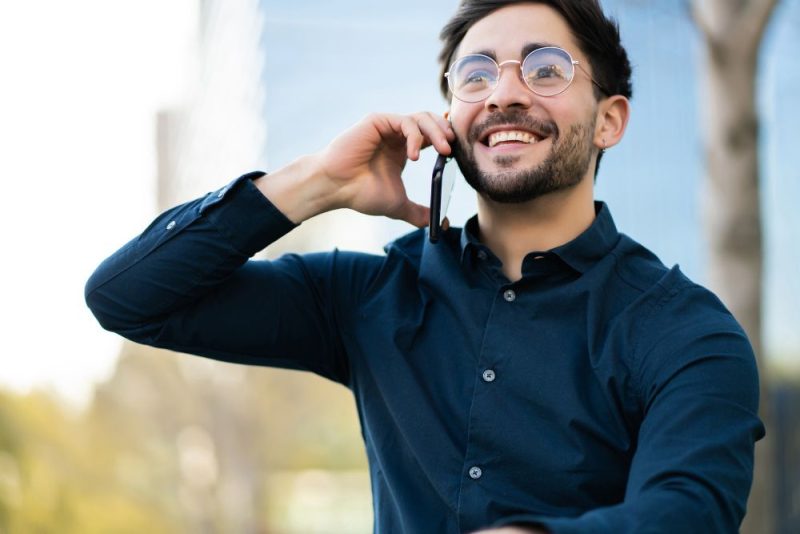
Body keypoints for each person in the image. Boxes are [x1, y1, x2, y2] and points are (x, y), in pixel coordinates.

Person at [85, 1, 765, 532]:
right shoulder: (369, 295)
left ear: (610, 120)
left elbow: (690, 511)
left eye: (545, 69)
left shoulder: (685, 333)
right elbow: (128, 297)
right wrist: (316, 184)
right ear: (449, 120)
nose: (502, 94)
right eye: (476, 75)